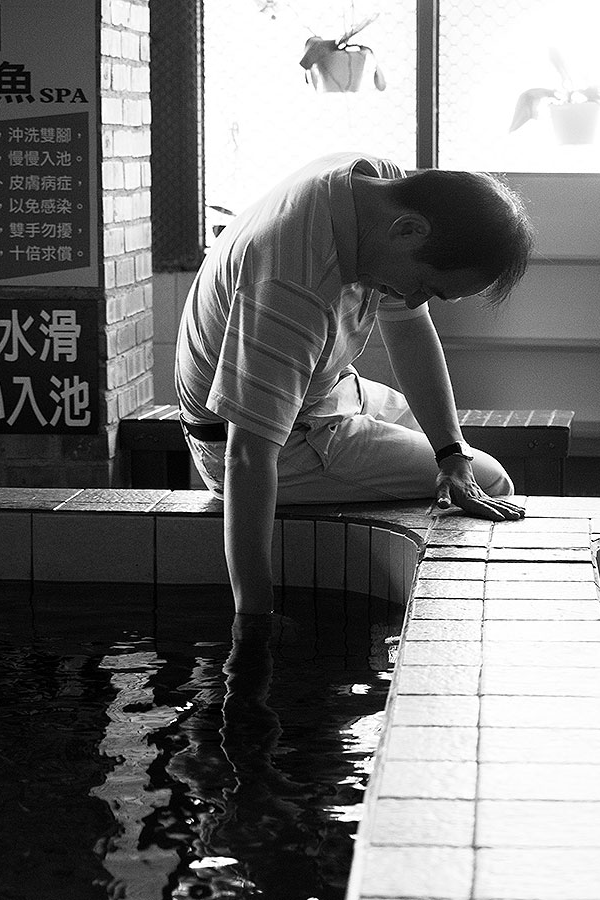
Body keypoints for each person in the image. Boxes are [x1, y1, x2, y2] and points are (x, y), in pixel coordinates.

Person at [175, 152, 535, 615]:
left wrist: (450, 452)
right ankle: (442, 627)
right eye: (425, 284)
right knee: (490, 479)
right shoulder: (292, 282)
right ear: (409, 230)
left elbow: (407, 330)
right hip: (270, 443)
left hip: (325, 392)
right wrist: (253, 617)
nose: (414, 299)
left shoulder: (372, 183)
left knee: (460, 460)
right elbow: (247, 454)